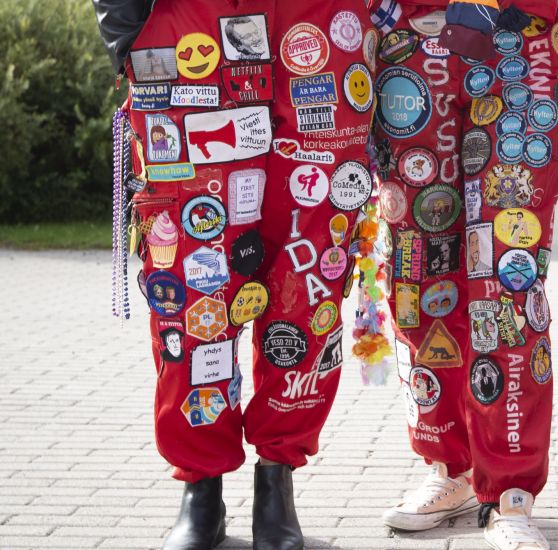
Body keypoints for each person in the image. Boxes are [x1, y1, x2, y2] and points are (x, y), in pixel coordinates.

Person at [93, 0, 375, 548]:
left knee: (311, 263)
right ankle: (201, 484)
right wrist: (124, 27)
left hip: (319, 23)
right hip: (188, 21)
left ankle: (278, 479)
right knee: (193, 267)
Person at [371, 1, 558, 549]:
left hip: (517, 30)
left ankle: (511, 491)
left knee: (508, 277)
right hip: (410, 32)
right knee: (418, 265)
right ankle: (449, 467)